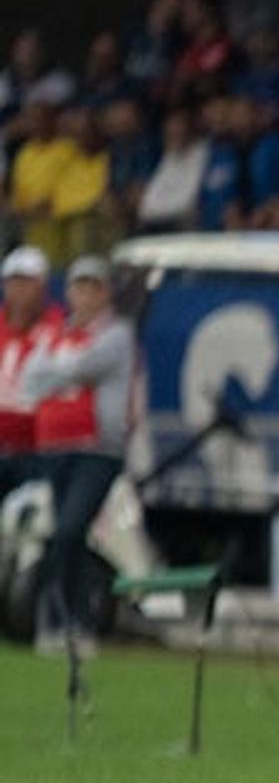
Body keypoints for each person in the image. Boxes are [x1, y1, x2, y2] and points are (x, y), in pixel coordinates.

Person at [19, 256, 134, 653]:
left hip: (95, 449)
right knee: (63, 537)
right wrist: (59, 371)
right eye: (78, 288)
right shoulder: (53, 333)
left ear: (105, 293)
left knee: (69, 529)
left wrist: (58, 370)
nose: (84, 296)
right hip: (54, 445)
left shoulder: (116, 334)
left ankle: (74, 621)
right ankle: (57, 622)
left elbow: (84, 368)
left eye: (93, 288)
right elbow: (31, 379)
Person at [0, 246, 64, 494]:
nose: (19, 290)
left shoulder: (59, 327)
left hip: (39, 450)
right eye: (14, 282)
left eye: (27, 282)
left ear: (42, 285)